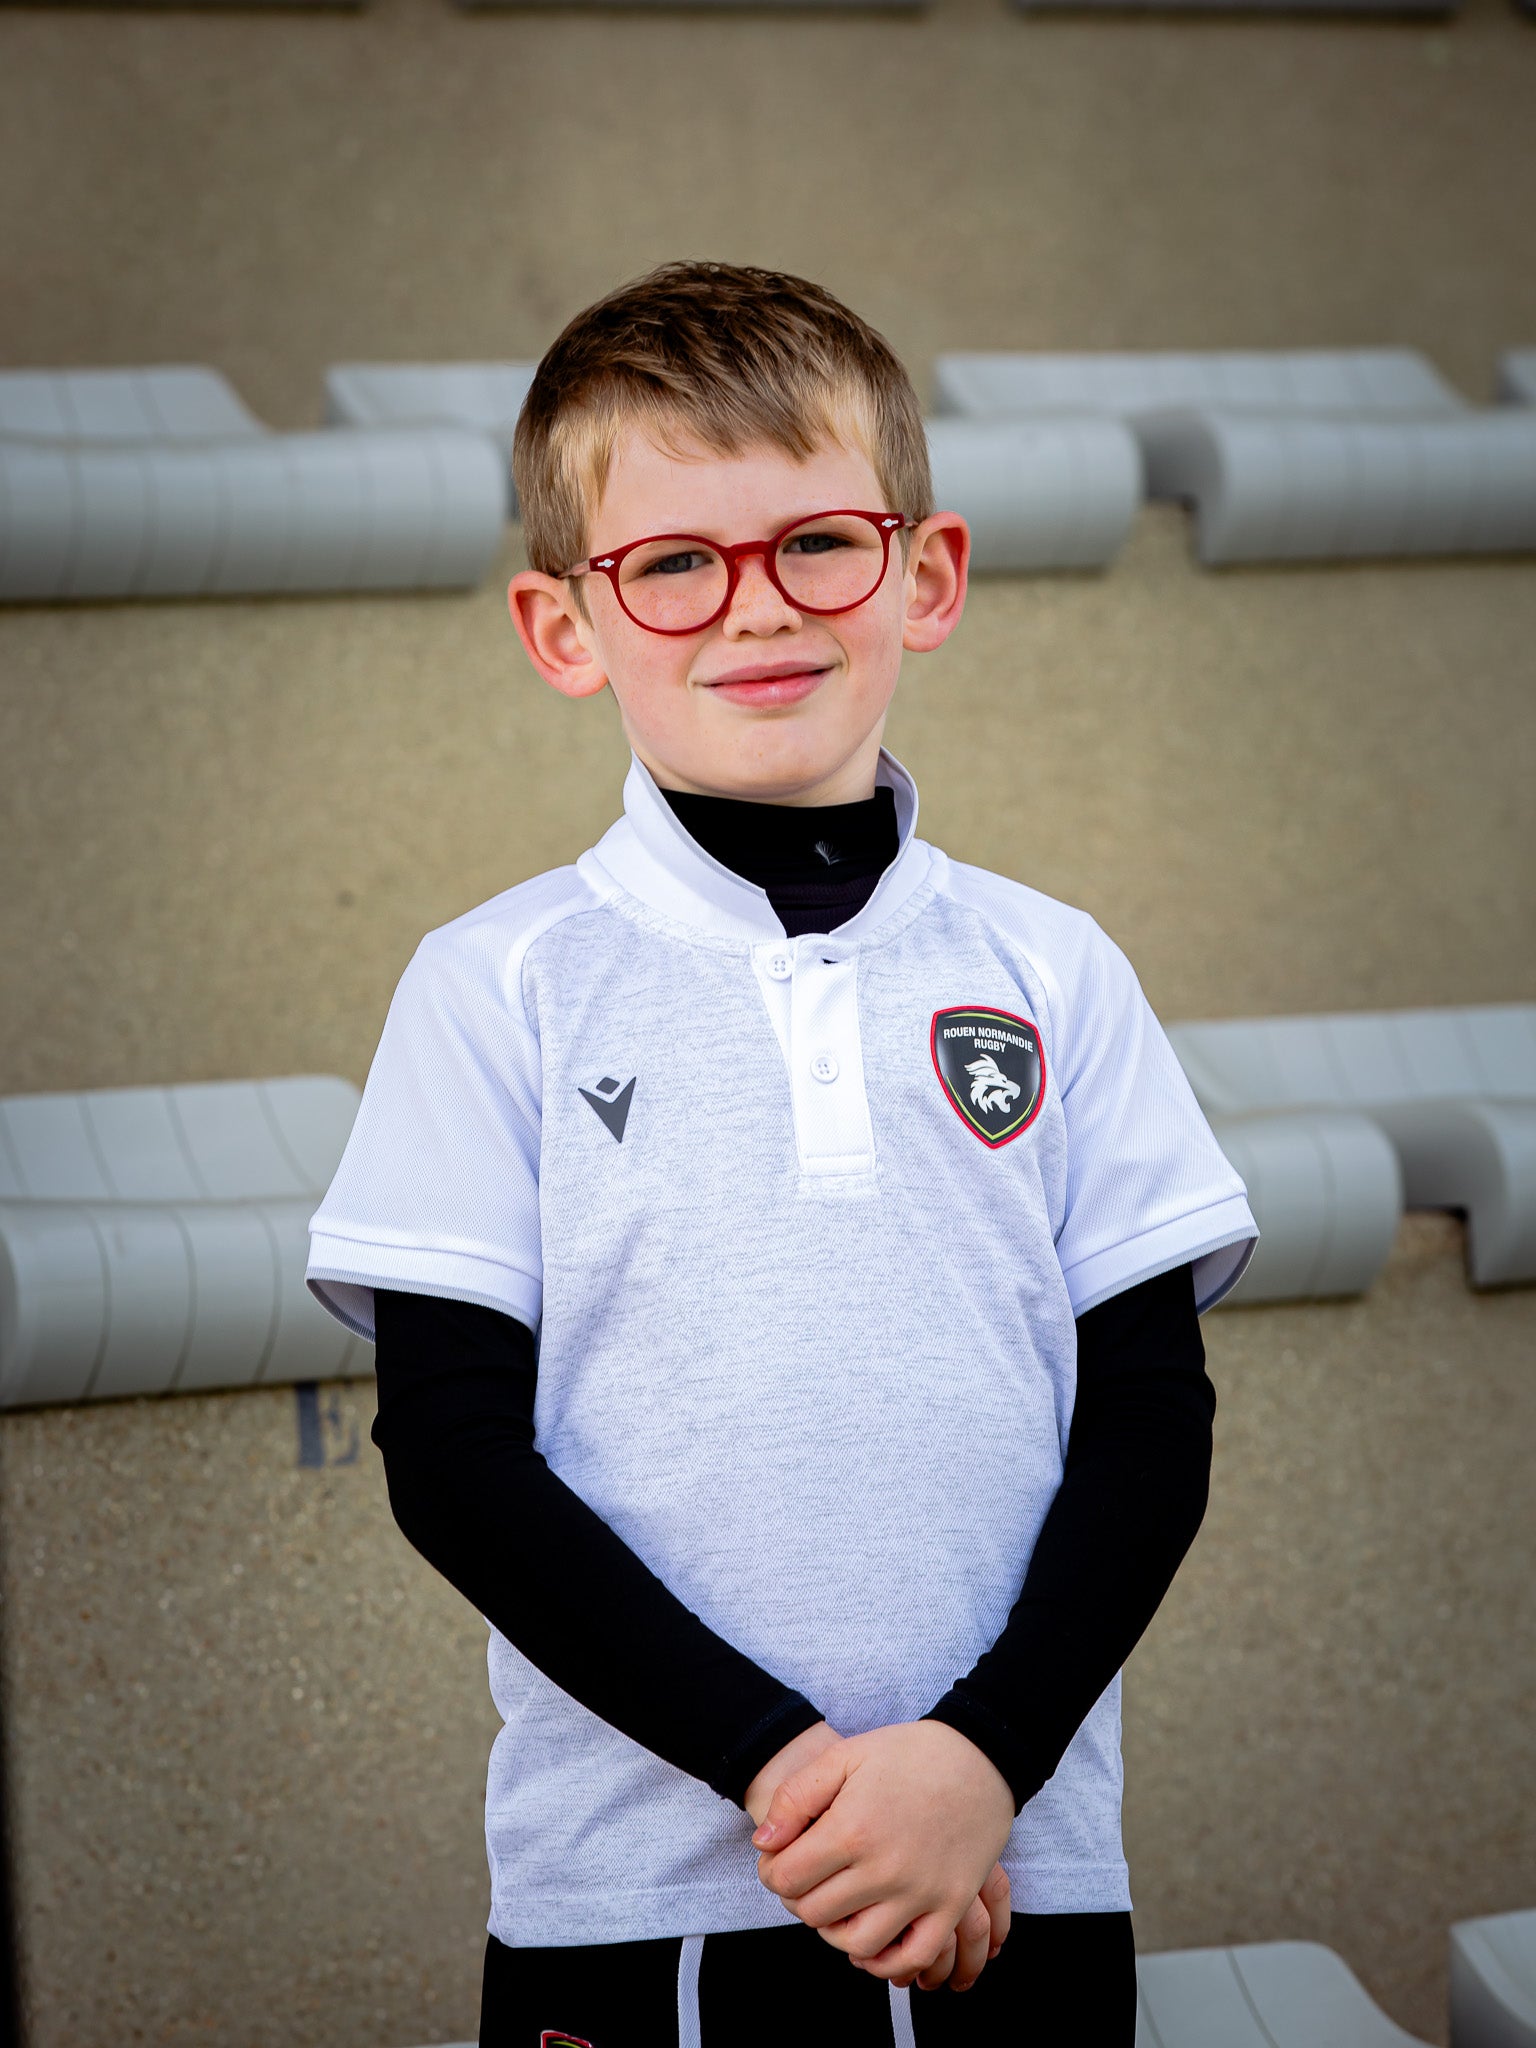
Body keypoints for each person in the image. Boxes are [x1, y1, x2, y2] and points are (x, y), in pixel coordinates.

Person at [305, 260, 1258, 2047]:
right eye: (672, 564)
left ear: (926, 573)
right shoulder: (496, 985)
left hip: (1016, 1874)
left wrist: (978, 1763)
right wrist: (798, 1776)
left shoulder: (1052, 968)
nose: (757, 612)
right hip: (641, 1893)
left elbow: (1152, 1422)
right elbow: (451, 1460)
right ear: (564, 627)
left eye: (818, 542)